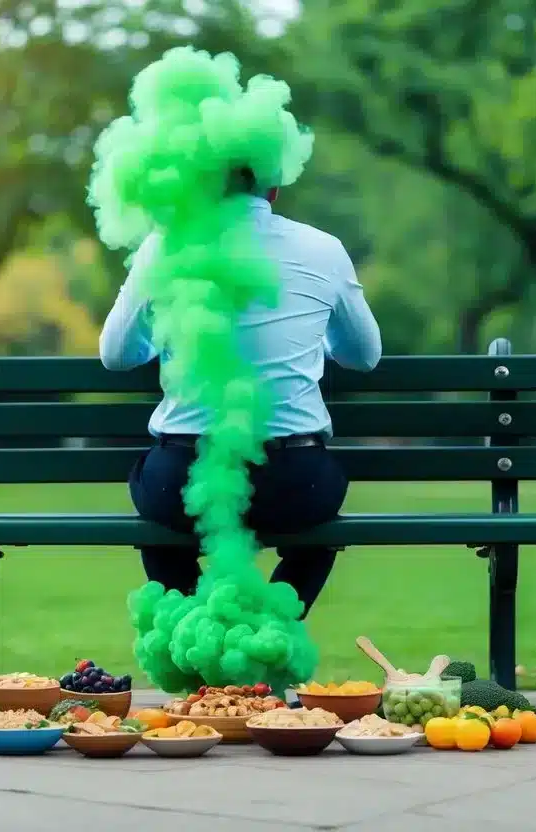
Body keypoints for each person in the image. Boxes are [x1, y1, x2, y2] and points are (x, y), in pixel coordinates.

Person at [98, 168, 381, 618]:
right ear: (274, 185)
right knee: (325, 511)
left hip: (181, 480)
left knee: (154, 498)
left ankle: (198, 633)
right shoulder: (323, 249)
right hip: (293, 484)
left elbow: (117, 354)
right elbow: (364, 355)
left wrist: (168, 330)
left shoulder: (165, 245)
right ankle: (268, 630)